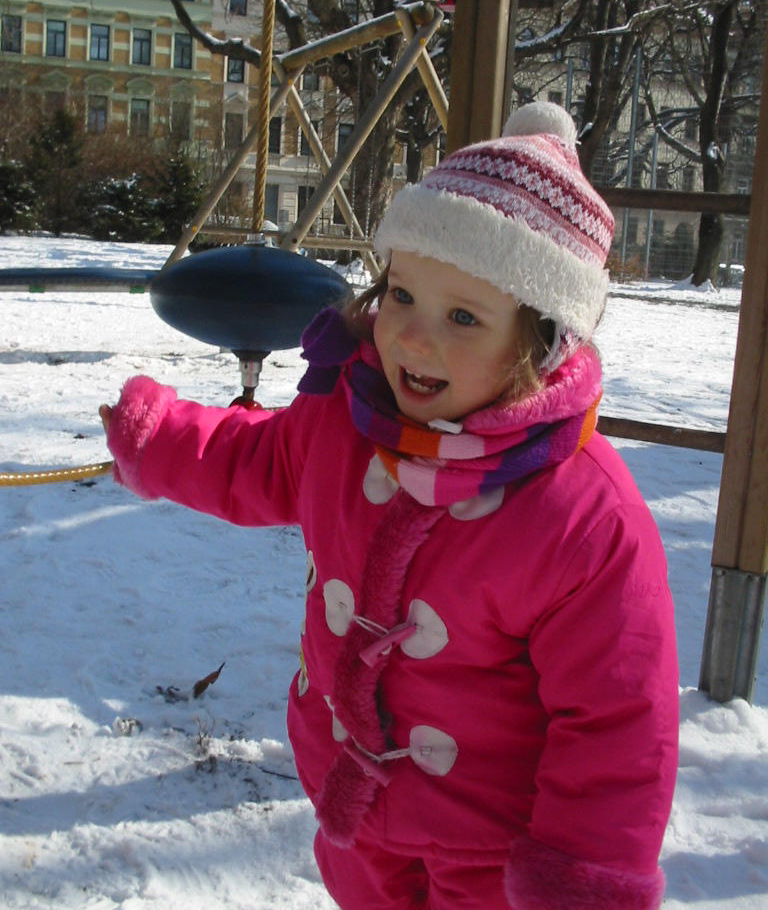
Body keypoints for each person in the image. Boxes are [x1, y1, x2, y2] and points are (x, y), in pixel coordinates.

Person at [100, 101, 679, 910]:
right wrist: (157, 440)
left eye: (464, 316)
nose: (412, 336)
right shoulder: (348, 416)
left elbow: (617, 720)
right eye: (402, 294)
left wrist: (580, 873)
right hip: (357, 805)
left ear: (541, 343)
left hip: (495, 847)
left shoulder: (581, 515)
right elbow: (259, 460)